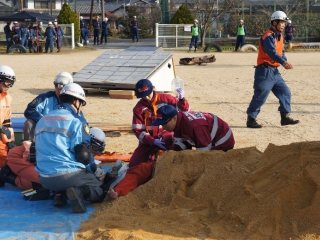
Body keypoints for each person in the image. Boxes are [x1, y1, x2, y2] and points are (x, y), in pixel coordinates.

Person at [35, 83, 106, 213]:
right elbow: (83, 154)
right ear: (75, 101)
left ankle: (59, 195)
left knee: (63, 171)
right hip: (67, 176)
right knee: (98, 190)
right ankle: (79, 192)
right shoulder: (75, 121)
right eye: (81, 103)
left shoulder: (42, 120)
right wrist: (94, 170)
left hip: (44, 178)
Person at [246, 11, 299, 128]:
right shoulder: (268, 36)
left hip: (275, 72)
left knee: (285, 92)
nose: (284, 25)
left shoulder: (280, 36)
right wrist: (284, 62)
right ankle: (251, 119)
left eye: (284, 23)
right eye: (282, 22)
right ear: (274, 22)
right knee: (261, 96)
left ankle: (284, 118)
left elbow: (281, 52)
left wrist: (284, 59)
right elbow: (272, 53)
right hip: (264, 71)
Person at [130, 79, 189, 167]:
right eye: (143, 96)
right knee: (134, 163)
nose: (146, 98)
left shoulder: (167, 99)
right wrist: (152, 141)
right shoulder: (138, 109)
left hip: (170, 137)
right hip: (150, 141)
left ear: (152, 89)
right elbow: (138, 131)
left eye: (147, 95)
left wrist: (182, 99)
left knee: (176, 160)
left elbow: (184, 111)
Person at [153, 105, 235, 151]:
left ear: (174, 118)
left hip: (223, 141)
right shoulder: (179, 122)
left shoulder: (193, 126)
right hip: (209, 138)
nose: (163, 127)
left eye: (165, 123)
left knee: (205, 164)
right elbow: (180, 144)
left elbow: (204, 150)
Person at [23, 71, 73, 141]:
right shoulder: (45, 97)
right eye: (56, 85)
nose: (58, 90)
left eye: (62, 88)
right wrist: (44, 120)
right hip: (43, 130)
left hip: (63, 133)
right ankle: (28, 148)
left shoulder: (73, 102)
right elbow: (29, 110)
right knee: (29, 122)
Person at [0, 65, 16, 169]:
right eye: (7, 82)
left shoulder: (8, 98)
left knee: (10, 156)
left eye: (11, 83)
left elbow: (7, 122)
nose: (9, 86)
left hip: (1, 134)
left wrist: (11, 141)